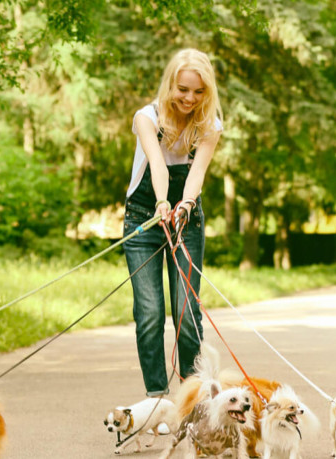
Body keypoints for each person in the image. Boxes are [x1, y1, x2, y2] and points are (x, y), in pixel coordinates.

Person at [122, 48, 223, 397]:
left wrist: (185, 206)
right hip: (144, 220)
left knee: (186, 313)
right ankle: (156, 399)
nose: (190, 98)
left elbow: (196, 174)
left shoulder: (209, 126)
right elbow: (158, 165)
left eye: (199, 92)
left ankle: (191, 399)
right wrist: (163, 202)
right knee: (150, 314)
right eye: (183, 89)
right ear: (170, 85)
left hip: (186, 221)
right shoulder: (145, 118)